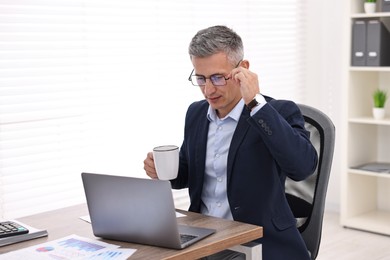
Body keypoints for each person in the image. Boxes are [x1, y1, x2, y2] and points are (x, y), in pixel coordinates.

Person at [143, 25, 318, 260]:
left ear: (243, 69)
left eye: (217, 77)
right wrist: (163, 171)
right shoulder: (196, 113)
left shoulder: (277, 111)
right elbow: (187, 174)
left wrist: (255, 104)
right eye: (201, 78)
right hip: (204, 239)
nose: (208, 89)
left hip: (256, 241)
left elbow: (303, 167)